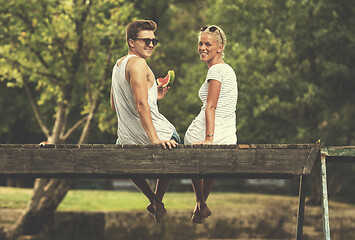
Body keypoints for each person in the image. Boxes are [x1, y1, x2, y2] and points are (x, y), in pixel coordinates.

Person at [110, 20, 180, 223]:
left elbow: (116, 105)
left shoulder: (117, 66)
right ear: (131, 42)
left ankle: (154, 200)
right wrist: (155, 139)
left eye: (154, 41)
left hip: (127, 139)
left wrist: (153, 96)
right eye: (146, 40)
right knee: (173, 142)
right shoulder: (139, 63)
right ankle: (158, 199)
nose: (151, 44)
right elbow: (140, 104)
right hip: (159, 134)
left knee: (122, 152)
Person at [184, 25, 238, 224]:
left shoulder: (216, 70)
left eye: (208, 44)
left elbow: (211, 106)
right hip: (228, 134)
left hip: (216, 132)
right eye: (200, 43)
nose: (202, 48)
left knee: (190, 146)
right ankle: (201, 206)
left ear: (220, 48)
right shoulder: (228, 70)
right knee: (209, 162)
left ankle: (199, 200)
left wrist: (209, 139)